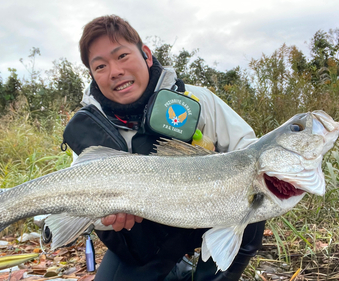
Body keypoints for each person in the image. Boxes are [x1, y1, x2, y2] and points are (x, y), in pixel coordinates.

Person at [65, 15, 266, 281]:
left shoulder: (196, 100)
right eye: (100, 66)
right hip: (143, 240)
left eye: (122, 56)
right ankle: (175, 270)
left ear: (146, 54)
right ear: (92, 75)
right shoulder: (89, 130)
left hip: (208, 218)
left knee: (255, 194)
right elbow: (78, 198)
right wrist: (106, 217)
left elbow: (252, 152)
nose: (114, 71)